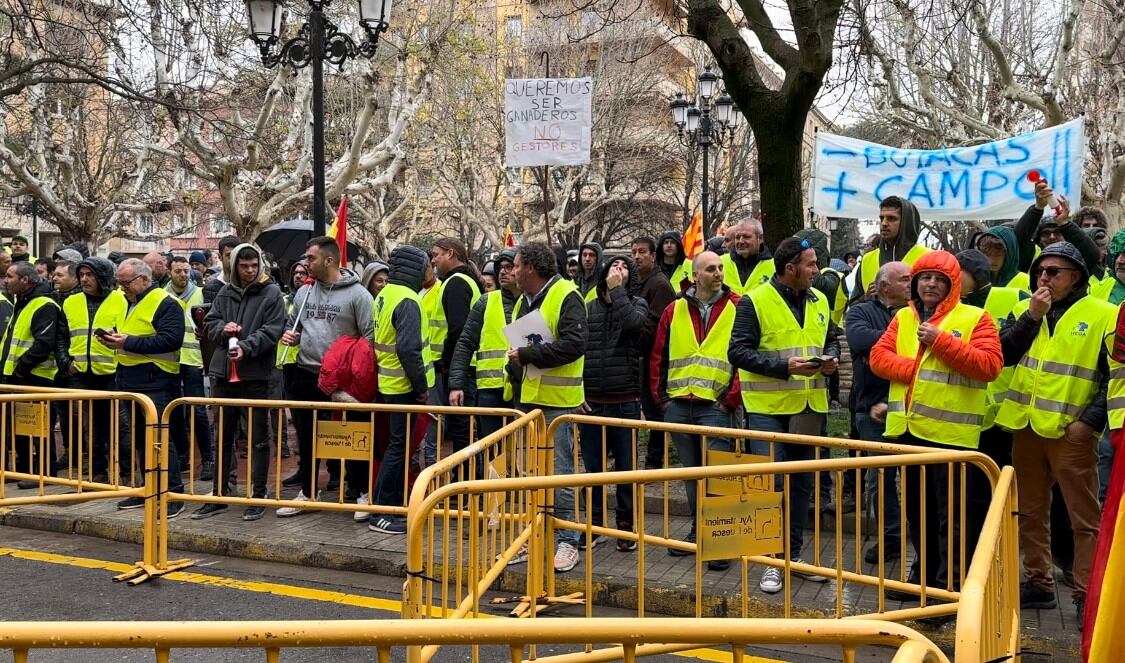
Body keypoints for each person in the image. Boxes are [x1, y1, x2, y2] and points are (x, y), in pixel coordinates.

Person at [870, 250, 1002, 595]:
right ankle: (923, 580)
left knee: (953, 521)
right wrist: (913, 368)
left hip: (952, 437)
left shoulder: (976, 317)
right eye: (924, 277)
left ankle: (951, 588)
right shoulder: (902, 317)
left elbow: (989, 366)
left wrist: (941, 342)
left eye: (938, 279)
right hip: (909, 432)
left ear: (952, 284)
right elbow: (878, 358)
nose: (930, 284)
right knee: (918, 512)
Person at [995, 242, 1113, 620]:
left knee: (1083, 519)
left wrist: (1090, 423)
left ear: (1076, 277)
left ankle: (1084, 595)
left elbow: (1115, 378)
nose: (1043, 278)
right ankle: (1039, 583)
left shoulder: (1104, 315)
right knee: (1029, 511)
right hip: (1026, 427)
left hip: (1070, 433)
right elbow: (1003, 355)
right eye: (1040, 271)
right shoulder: (1024, 308)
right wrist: (1032, 316)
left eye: (1053, 272)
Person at [729, 237, 842, 593]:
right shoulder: (755, 301)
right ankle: (771, 561)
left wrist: (830, 358)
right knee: (771, 486)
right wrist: (784, 367)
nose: (816, 270)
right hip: (768, 410)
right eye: (810, 264)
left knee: (802, 486)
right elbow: (738, 352)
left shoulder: (820, 298)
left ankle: (792, 556)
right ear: (790, 268)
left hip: (809, 408)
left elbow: (832, 337)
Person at [650, 250, 740, 571]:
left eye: (720, 268)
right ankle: (695, 530)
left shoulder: (737, 306)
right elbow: (658, 354)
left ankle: (719, 539)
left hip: (716, 406)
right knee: (691, 475)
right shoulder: (674, 309)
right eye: (711, 269)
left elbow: (743, 355)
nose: (718, 273)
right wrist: (662, 400)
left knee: (718, 474)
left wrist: (731, 399)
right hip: (679, 404)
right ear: (695, 274)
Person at [276, 237, 374, 517]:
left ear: (329, 261)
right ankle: (308, 491)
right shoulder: (303, 293)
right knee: (306, 437)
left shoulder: (358, 295)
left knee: (353, 437)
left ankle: (361, 493)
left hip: (343, 381)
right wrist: (291, 337)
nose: (306, 263)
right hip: (307, 373)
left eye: (311, 258)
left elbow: (368, 339)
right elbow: (295, 325)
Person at [507, 241, 587, 573]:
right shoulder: (521, 303)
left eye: (516, 264)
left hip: (557, 405)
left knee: (561, 474)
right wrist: (514, 368)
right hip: (528, 401)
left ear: (530, 268)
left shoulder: (566, 295)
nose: (511, 271)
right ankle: (535, 532)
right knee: (531, 474)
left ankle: (567, 540)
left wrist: (525, 356)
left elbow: (575, 345)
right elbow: (516, 347)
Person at [192, 244, 286, 521]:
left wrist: (246, 346)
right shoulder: (225, 292)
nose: (249, 271)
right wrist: (223, 330)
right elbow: (210, 322)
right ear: (234, 267)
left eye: (253, 266)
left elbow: (273, 330)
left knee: (258, 438)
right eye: (244, 267)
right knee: (223, 435)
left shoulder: (271, 293)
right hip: (224, 372)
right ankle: (221, 492)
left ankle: (258, 494)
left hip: (255, 373)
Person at [99, 259, 187, 517]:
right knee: (140, 438)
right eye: (120, 283)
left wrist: (127, 342)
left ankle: (173, 493)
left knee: (159, 439)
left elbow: (171, 340)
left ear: (144, 280)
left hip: (157, 381)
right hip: (131, 379)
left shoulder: (165, 303)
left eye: (125, 283)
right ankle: (148, 489)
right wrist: (117, 340)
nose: (121, 288)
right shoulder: (131, 301)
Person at [956, 248, 1027, 550]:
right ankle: (974, 554)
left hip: (1005, 416)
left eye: (955, 272)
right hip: (965, 417)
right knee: (970, 495)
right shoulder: (950, 307)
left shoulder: (1013, 297)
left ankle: (999, 553)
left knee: (998, 492)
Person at [578, 255, 648, 551]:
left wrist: (619, 292)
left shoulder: (636, 304)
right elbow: (578, 350)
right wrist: (577, 391)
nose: (618, 270)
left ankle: (625, 525)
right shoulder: (587, 307)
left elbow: (634, 326)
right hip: (592, 400)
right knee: (593, 470)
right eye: (614, 266)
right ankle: (593, 525)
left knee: (625, 469)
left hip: (625, 400)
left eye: (624, 267)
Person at [845, 261, 910, 563]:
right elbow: (859, 340)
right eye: (905, 280)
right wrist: (904, 340)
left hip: (912, 407)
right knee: (879, 479)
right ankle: (892, 538)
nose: (913, 284)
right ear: (885, 286)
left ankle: (922, 538)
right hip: (871, 408)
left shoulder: (918, 312)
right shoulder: (859, 311)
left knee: (918, 479)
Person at [368, 245, 433, 534]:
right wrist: (421, 387)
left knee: (395, 447)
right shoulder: (408, 299)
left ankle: (383, 507)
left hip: (389, 382)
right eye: (426, 266)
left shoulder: (385, 294)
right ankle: (383, 511)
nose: (429, 272)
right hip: (404, 386)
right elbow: (409, 350)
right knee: (398, 449)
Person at [59, 257, 123, 484]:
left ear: (102, 276)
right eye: (81, 275)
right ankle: (98, 471)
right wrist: (66, 362)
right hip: (83, 374)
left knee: (120, 426)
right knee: (92, 428)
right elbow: (62, 336)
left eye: (90, 275)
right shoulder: (71, 301)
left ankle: (125, 472)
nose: (84, 279)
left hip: (113, 373)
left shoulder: (121, 300)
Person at [0, 262, 62, 487]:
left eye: (10, 276)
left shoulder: (44, 304)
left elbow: (44, 343)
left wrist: (21, 368)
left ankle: (46, 472)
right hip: (19, 375)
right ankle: (26, 470)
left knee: (39, 427)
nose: (6, 281)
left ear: (25, 280)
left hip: (36, 375)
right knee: (23, 426)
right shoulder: (23, 302)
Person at [449, 249, 519, 440]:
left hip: (523, 389)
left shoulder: (534, 302)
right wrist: (456, 384)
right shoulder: (486, 302)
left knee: (522, 451)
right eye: (500, 268)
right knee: (493, 450)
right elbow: (465, 343)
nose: (503, 272)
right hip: (490, 390)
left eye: (509, 267)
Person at [428, 238, 483, 462]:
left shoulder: (457, 283)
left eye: (436, 255)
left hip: (460, 368)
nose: (433, 261)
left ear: (451, 253)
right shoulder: (464, 280)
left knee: (461, 430)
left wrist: (450, 367)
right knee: (464, 429)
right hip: (465, 366)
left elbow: (458, 329)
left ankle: (462, 483)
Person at [165, 256, 213, 481]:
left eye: (186, 271)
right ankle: (183, 457)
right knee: (174, 412)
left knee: (198, 411)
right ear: (169, 272)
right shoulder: (162, 296)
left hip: (194, 359)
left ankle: (208, 459)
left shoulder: (201, 293)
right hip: (171, 360)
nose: (183, 275)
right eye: (178, 271)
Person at [631, 236, 676, 469]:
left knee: (654, 411)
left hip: (655, 358)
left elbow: (656, 326)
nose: (637, 257)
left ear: (653, 255)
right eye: (634, 252)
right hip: (641, 357)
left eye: (641, 252)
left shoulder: (659, 285)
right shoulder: (640, 282)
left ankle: (654, 460)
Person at [1016, 180, 1103, 280]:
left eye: (1057, 232)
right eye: (1046, 233)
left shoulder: (1075, 257)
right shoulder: (1030, 255)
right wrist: (1038, 207)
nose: (1052, 237)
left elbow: (1092, 254)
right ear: (1039, 237)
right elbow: (1018, 239)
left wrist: (1064, 223)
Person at [851, 197, 930, 301]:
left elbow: (943, 306)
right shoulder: (867, 260)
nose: (884, 223)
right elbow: (852, 306)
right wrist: (866, 298)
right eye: (881, 218)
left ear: (906, 222)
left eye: (891, 218)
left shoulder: (928, 258)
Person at [721, 219, 774, 296]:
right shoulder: (719, 262)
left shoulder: (775, 267)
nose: (741, 241)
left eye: (746, 237)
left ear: (760, 238)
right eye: (737, 237)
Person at [973, 225, 1032, 292]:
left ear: (1010, 254)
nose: (992, 260)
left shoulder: (1027, 282)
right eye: (987, 255)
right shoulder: (976, 280)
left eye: (998, 255)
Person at [204, 236, 242, 305]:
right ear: (220, 256)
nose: (233, 260)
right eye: (229, 255)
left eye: (236, 255)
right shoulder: (210, 288)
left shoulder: (247, 285)